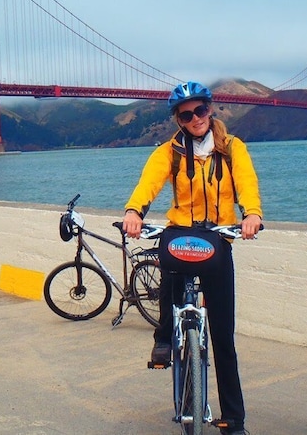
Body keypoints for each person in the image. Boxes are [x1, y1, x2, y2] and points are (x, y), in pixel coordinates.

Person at [123, 81, 262, 435]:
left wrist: (251, 214)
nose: (195, 118)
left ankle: (234, 420)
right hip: (182, 233)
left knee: (224, 338)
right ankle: (164, 337)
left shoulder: (232, 148)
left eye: (201, 110)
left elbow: (246, 183)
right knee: (170, 263)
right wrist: (134, 211)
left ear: (210, 110)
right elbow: (149, 183)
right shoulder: (169, 152)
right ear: (178, 119)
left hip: (217, 238)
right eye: (187, 114)